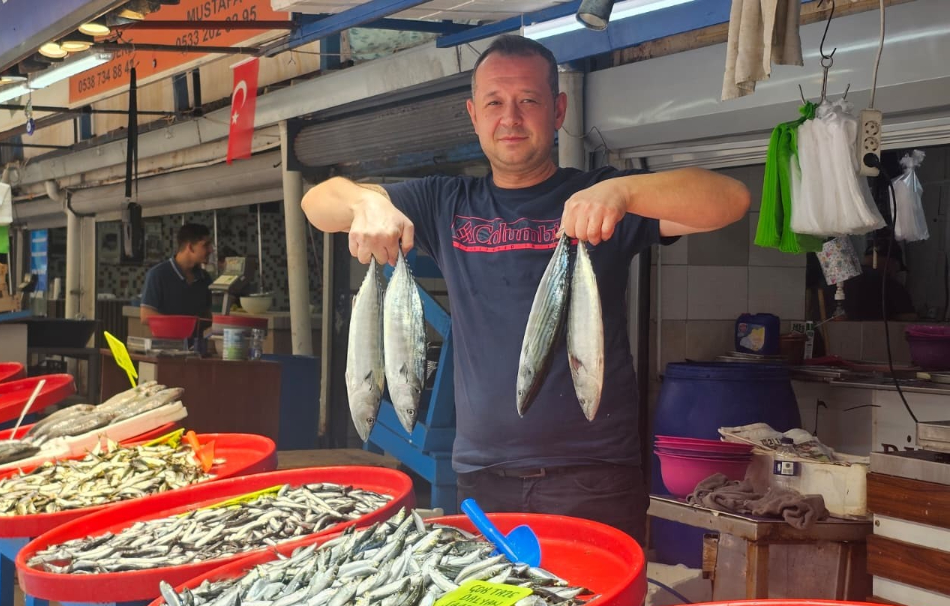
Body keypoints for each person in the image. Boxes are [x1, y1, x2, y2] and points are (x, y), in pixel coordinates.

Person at [301, 35, 750, 543]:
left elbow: (730, 200)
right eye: (494, 102)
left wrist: (625, 190)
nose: (510, 117)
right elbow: (318, 202)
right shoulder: (442, 202)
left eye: (528, 101)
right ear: (473, 114)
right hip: (480, 478)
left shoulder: (601, 201)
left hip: (594, 475)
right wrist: (366, 204)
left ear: (558, 110)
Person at [140, 223, 215, 323]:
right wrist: (181, 325)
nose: (211, 250)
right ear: (190, 247)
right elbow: (146, 316)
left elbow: (206, 315)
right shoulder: (158, 275)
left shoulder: (205, 278)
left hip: (197, 338)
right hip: (167, 338)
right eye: (206, 245)